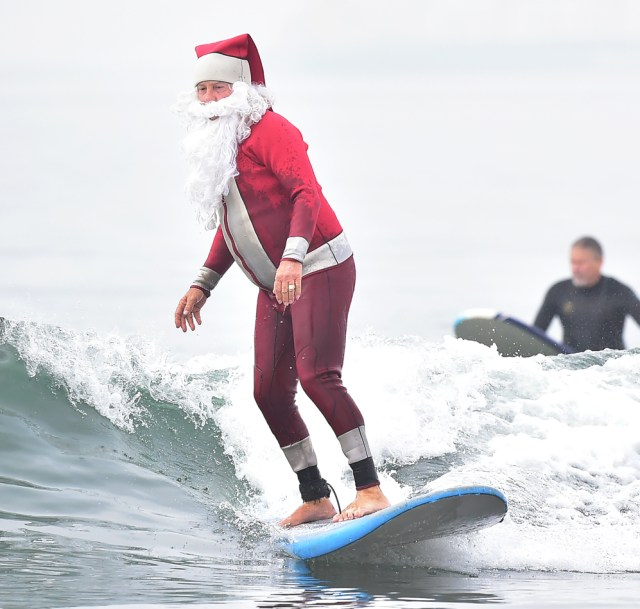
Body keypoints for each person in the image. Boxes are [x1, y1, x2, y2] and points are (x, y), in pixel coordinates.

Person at [172, 34, 390, 527]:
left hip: (320, 265)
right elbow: (235, 225)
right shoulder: (221, 147)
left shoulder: (273, 131)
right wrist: (202, 284)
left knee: (318, 376)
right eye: (202, 90)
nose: (208, 99)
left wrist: (292, 259)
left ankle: (370, 488)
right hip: (278, 282)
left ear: (242, 90)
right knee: (268, 391)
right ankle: (315, 496)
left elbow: (306, 196)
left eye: (218, 89)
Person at [533, 236, 640, 352]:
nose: (575, 268)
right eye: (573, 262)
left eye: (581, 263)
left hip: (611, 367)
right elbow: (534, 335)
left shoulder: (619, 291)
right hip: (570, 365)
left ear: (599, 262)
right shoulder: (558, 291)